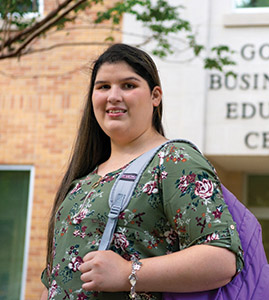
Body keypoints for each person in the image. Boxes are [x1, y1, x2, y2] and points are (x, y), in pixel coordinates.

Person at [40, 43, 244, 300]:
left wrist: (128, 272)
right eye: (103, 86)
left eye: (128, 85)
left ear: (155, 96)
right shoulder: (82, 182)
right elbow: (55, 280)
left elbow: (222, 259)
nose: (113, 96)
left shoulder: (173, 160)